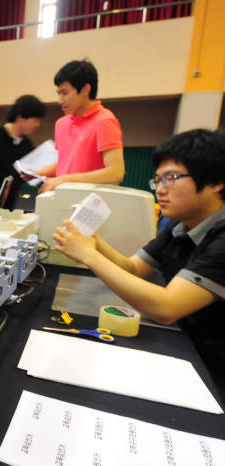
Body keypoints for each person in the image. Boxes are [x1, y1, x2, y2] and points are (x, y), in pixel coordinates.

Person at [53, 129, 225, 399]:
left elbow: (167, 307)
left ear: (216, 181)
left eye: (172, 178)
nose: (160, 188)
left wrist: (89, 255)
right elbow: (132, 268)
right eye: (157, 180)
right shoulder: (180, 225)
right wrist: (97, 244)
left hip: (212, 373)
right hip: (183, 346)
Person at [32, 59, 125, 193]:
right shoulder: (61, 123)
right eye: (58, 93)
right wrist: (38, 173)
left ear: (85, 89)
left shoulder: (104, 120)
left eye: (64, 93)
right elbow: (66, 163)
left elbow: (116, 172)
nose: (60, 100)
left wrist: (64, 180)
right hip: (61, 198)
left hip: (90, 205)